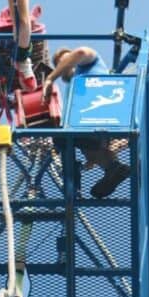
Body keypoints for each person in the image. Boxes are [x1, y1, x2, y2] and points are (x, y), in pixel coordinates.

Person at [43, 45, 130, 198]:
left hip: (98, 118)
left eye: (64, 59)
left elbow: (81, 52)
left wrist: (50, 78)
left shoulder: (90, 63)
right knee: (87, 146)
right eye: (58, 64)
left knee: (63, 138)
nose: (62, 64)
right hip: (91, 125)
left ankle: (73, 179)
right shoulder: (73, 89)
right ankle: (113, 168)